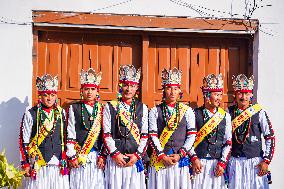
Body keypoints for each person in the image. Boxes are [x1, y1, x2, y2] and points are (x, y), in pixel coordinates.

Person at [148, 68, 196, 189]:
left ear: (179, 90)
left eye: (175, 88)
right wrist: (162, 156)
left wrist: (180, 154)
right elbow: (152, 136)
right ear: (164, 90)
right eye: (169, 88)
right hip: (161, 159)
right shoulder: (155, 111)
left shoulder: (187, 111)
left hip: (179, 159)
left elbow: (191, 135)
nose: (172, 92)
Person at [19, 74, 69, 189]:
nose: (49, 98)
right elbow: (24, 141)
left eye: (52, 95)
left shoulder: (61, 113)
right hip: (39, 164)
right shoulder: (31, 114)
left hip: (58, 163)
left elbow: (65, 138)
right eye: (45, 95)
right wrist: (25, 163)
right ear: (40, 96)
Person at [103, 65, 149, 189]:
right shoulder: (110, 107)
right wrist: (115, 154)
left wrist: (137, 155)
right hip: (115, 160)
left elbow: (145, 135)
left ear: (137, 88)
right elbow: (106, 134)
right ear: (120, 86)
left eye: (132, 86)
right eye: (126, 85)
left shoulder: (142, 108)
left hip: (134, 159)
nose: (128, 89)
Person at [227, 74, 275, 189]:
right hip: (235, 162)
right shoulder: (228, 112)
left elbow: (270, 137)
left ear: (251, 94)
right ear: (235, 94)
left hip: (255, 163)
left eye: (246, 93)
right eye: (240, 93)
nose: (243, 97)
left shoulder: (259, 112)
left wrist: (266, 161)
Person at [190, 73, 232, 189]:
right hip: (199, 164)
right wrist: (194, 158)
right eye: (216, 95)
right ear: (207, 95)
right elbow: (189, 140)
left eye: (220, 95)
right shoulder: (194, 114)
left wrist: (222, 163)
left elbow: (228, 143)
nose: (219, 98)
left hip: (216, 164)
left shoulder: (225, 116)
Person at [66, 68, 106, 189]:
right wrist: (72, 155)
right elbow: (70, 132)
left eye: (92, 89)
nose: (89, 92)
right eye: (86, 89)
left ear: (97, 91)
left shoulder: (102, 109)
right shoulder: (74, 108)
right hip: (79, 155)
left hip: (96, 156)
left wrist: (103, 155)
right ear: (81, 90)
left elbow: (105, 134)